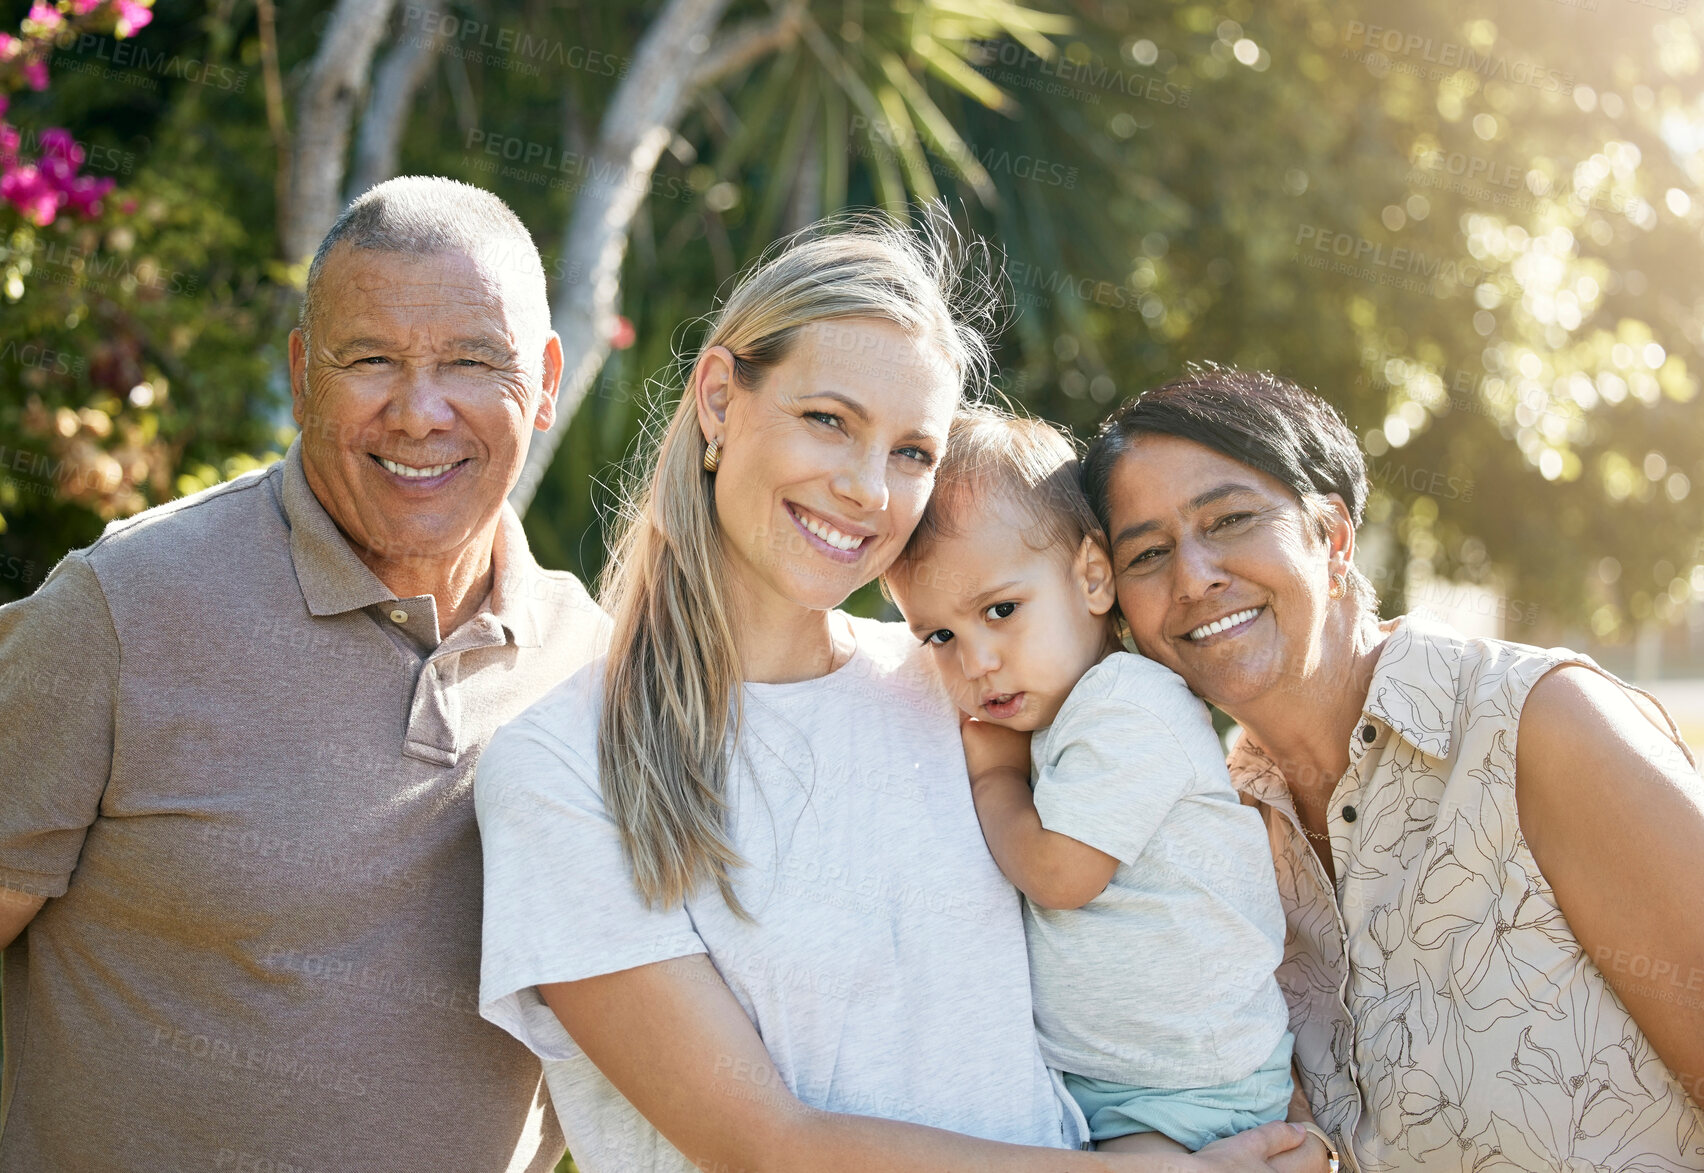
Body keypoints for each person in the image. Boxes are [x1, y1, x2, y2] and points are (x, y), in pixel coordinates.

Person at [473, 216, 1320, 1173]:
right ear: (719, 399)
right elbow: (765, 1145)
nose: (868, 489)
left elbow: (1170, 917)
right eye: (828, 420)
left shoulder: (963, 684)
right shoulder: (560, 766)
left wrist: (1256, 1109)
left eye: (913, 452)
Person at [0, 176, 607, 1171]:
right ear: (301, 373)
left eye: (471, 361)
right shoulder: (119, 611)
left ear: (543, 382)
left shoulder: (594, 667)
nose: (420, 412)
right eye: (370, 359)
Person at [1081, 364, 1704, 1172]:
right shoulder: (1213, 827)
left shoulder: (1538, 724)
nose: (1193, 576)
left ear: (1333, 537)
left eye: (1230, 519)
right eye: (1149, 553)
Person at [883, 405, 1299, 1158]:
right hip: (1118, 1085)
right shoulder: (1056, 711)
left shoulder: (1128, 705)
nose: (975, 661)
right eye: (939, 635)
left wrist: (994, 780)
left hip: (1192, 1087)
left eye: (1001, 610)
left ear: (1093, 576)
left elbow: (1059, 872)